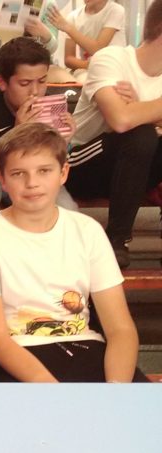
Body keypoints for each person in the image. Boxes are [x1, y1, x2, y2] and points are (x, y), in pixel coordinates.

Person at [0, 122, 146, 382]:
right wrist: (55, 393)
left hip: (82, 342)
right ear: (2, 180)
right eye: (18, 173)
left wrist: (116, 389)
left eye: (44, 171)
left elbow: (120, 329)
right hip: (12, 350)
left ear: (63, 173)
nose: (32, 183)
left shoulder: (87, 230)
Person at [64, 0, 162, 268]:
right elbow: (120, 120)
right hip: (80, 165)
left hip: (133, 172)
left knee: (144, 134)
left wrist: (139, 105)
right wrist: (147, 113)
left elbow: (130, 115)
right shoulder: (112, 58)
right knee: (142, 134)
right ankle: (117, 239)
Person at [0, 37, 78, 241]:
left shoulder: (50, 107)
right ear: (2, 82)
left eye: (42, 81)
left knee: (66, 207)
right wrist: (17, 132)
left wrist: (64, 141)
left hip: (28, 169)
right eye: (24, 83)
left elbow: (52, 164)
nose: (35, 91)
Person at [47, 0, 126, 83]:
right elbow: (68, 59)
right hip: (87, 69)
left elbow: (98, 49)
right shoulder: (74, 17)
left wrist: (68, 28)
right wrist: (87, 65)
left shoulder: (115, 10)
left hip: (113, 68)